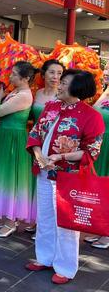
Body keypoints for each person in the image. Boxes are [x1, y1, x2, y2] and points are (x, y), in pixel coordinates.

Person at [26, 69, 104, 284]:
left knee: (67, 223)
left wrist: (61, 156)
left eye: (64, 82)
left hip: (69, 177)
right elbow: (35, 134)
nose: (58, 86)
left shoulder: (91, 116)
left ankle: (66, 267)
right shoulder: (50, 107)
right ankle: (45, 257)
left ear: (77, 88)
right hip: (44, 170)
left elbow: (91, 152)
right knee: (45, 217)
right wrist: (39, 154)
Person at [0, 61, 35, 238]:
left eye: (14, 74)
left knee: (12, 178)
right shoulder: (17, 91)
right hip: (6, 136)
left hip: (13, 139)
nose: (10, 76)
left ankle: (12, 221)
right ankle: (9, 218)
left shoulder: (24, 95)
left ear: (26, 78)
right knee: (5, 177)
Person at [24, 59, 64, 237]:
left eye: (59, 74)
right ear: (44, 74)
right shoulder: (37, 93)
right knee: (35, 182)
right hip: (35, 143)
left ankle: (46, 224)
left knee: (50, 183)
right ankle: (36, 219)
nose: (56, 77)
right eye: (52, 72)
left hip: (53, 145)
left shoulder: (61, 96)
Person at [83, 78, 109, 250]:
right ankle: (101, 229)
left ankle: (106, 235)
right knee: (100, 188)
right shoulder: (106, 91)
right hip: (101, 143)